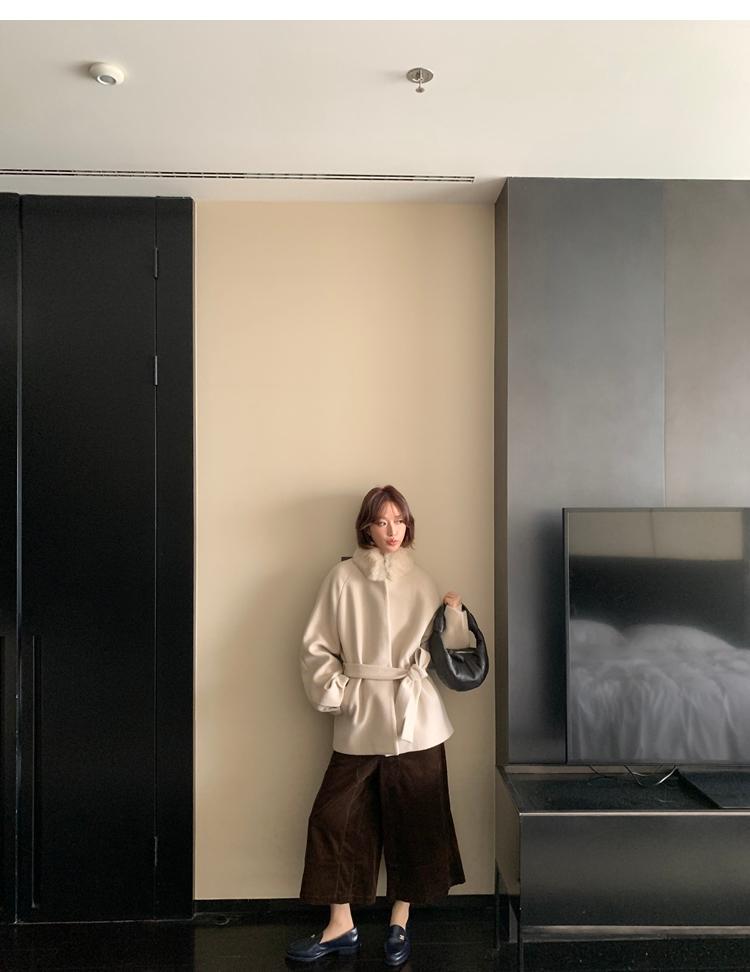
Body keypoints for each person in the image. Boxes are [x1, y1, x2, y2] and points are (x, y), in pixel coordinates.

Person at [286, 485, 470, 967]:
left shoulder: (422, 579)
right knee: (334, 817)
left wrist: (454, 616)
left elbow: (444, 652)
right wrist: (340, 691)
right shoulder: (342, 577)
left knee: (416, 819)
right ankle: (340, 925)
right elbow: (315, 646)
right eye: (383, 521)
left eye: (400, 520)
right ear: (366, 526)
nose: (393, 531)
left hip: (416, 718)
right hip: (362, 713)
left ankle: (399, 921)